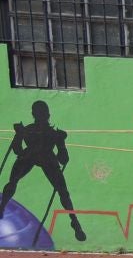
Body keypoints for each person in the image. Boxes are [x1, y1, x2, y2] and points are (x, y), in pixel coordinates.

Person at [0, 100, 84, 241]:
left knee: (63, 191)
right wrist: (19, 135)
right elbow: (18, 150)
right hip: (31, 156)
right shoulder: (30, 131)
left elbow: (63, 159)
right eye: (41, 113)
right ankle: (2, 207)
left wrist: (62, 143)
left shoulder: (51, 134)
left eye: (43, 113)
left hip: (44, 158)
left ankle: (75, 222)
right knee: (12, 182)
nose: (43, 116)